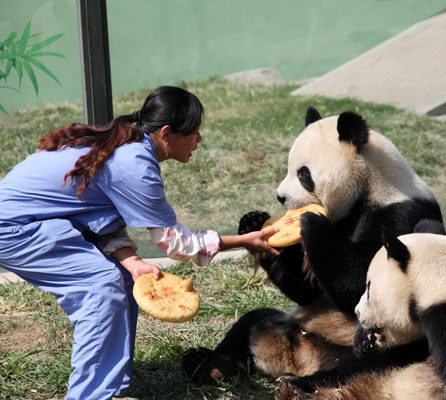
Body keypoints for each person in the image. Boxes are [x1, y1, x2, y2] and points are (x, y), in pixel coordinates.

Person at [0, 85, 279, 400]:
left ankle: (111, 387)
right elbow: (175, 243)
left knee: (123, 279)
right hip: (13, 227)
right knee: (101, 288)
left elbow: (98, 218)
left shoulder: (129, 146)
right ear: (166, 133)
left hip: (42, 222)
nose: (199, 140)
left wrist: (132, 262)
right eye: (194, 131)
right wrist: (244, 240)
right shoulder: (134, 163)